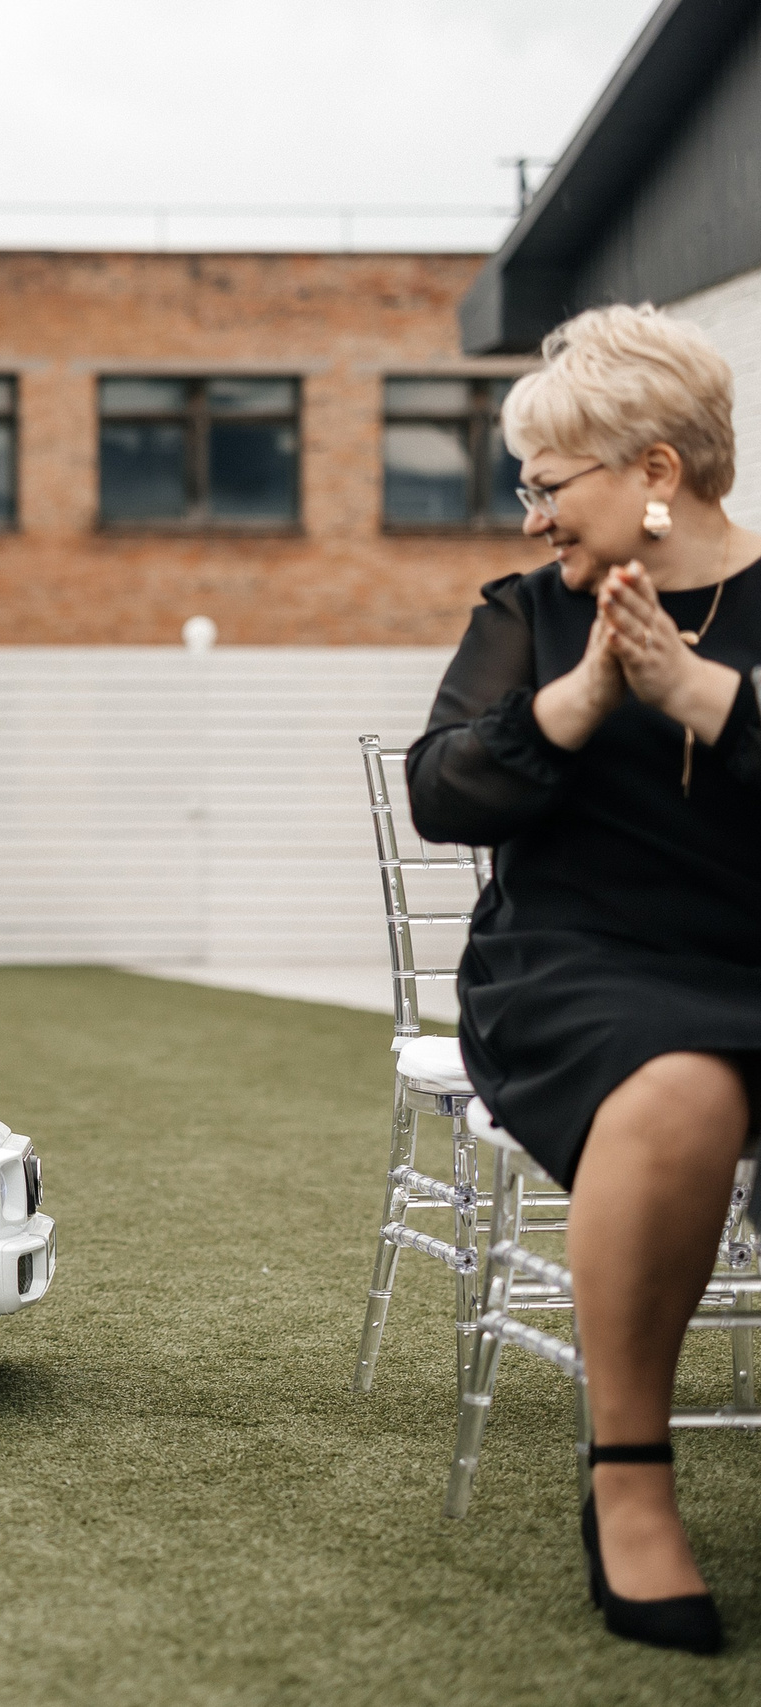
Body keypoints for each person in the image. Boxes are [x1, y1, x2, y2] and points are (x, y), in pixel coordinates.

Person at [409, 303, 761, 1655]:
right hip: (577, 965)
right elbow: (443, 787)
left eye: (549, 487)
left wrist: (704, 695)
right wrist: (581, 700)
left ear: (657, 472)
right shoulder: (526, 617)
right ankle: (630, 1475)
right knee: (681, 1080)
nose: (530, 519)